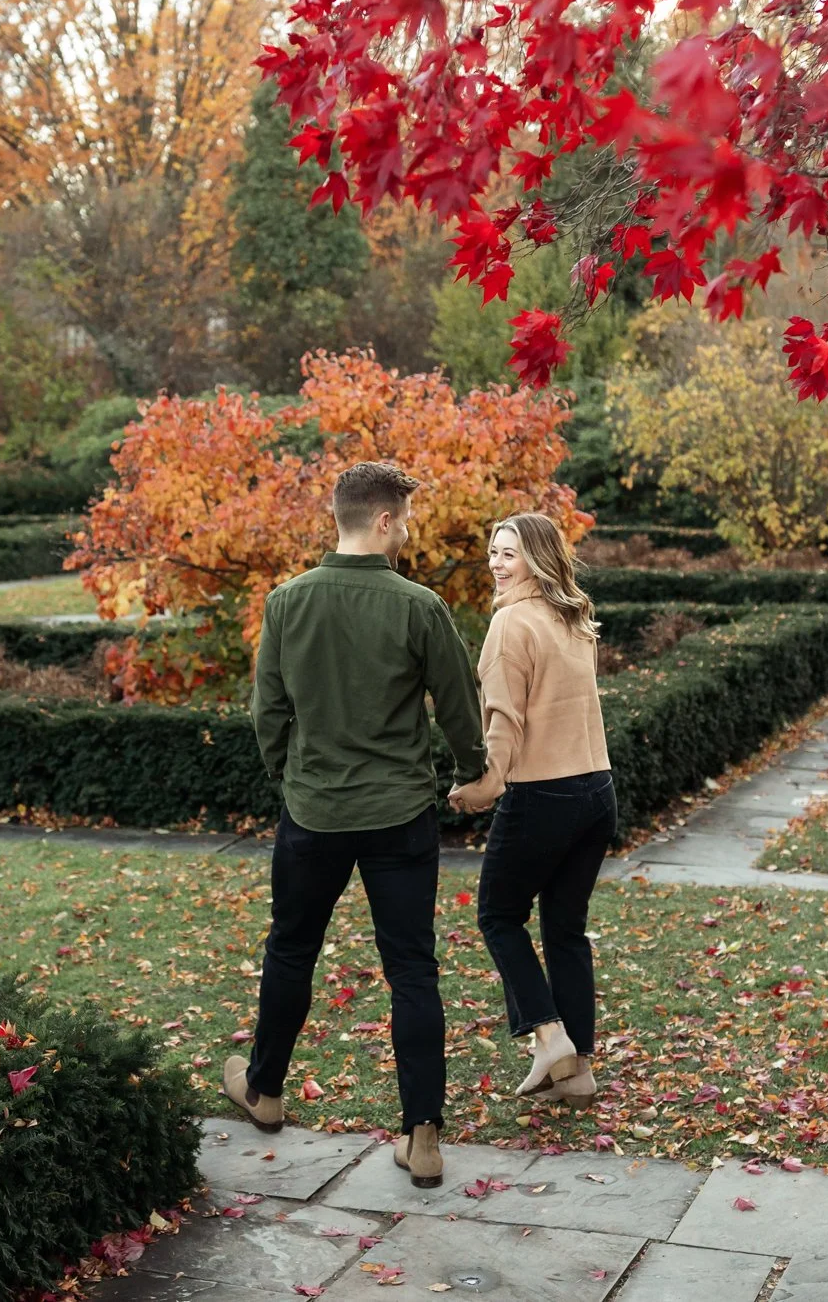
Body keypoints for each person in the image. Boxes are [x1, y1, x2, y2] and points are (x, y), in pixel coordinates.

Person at [227, 460, 487, 1189]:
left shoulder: (286, 602)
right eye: (402, 518)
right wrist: (473, 771)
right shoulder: (418, 606)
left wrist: (291, 775)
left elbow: (267, 713)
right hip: (400, 813)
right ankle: (422, 1134)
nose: (407, 530)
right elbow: (458, 705)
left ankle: (266, 1091)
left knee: (291, 947)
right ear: (380, 521)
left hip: (313, 812)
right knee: (412, 967)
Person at [447, 511, 613, 1110]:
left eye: (509, 553)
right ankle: (579, 1072)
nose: (496, 562)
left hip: (542, 795)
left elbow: (503, 720)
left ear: (536, 558)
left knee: (497, 915)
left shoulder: (511, 625)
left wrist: (484, 787)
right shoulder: (573, 619)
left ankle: (549, 1037)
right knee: (565, 929)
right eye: (493, 551)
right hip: (597, 791)